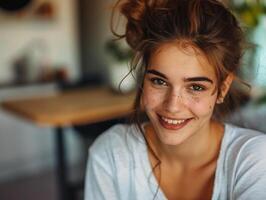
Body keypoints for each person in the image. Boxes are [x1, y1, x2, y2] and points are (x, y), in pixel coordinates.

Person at [84, 0, 266, 199]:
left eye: (196, 87)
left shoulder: (255, 160)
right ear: (143, 79)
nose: (172, 106)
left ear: (222, 88)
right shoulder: (111, 154)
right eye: (159, 81)